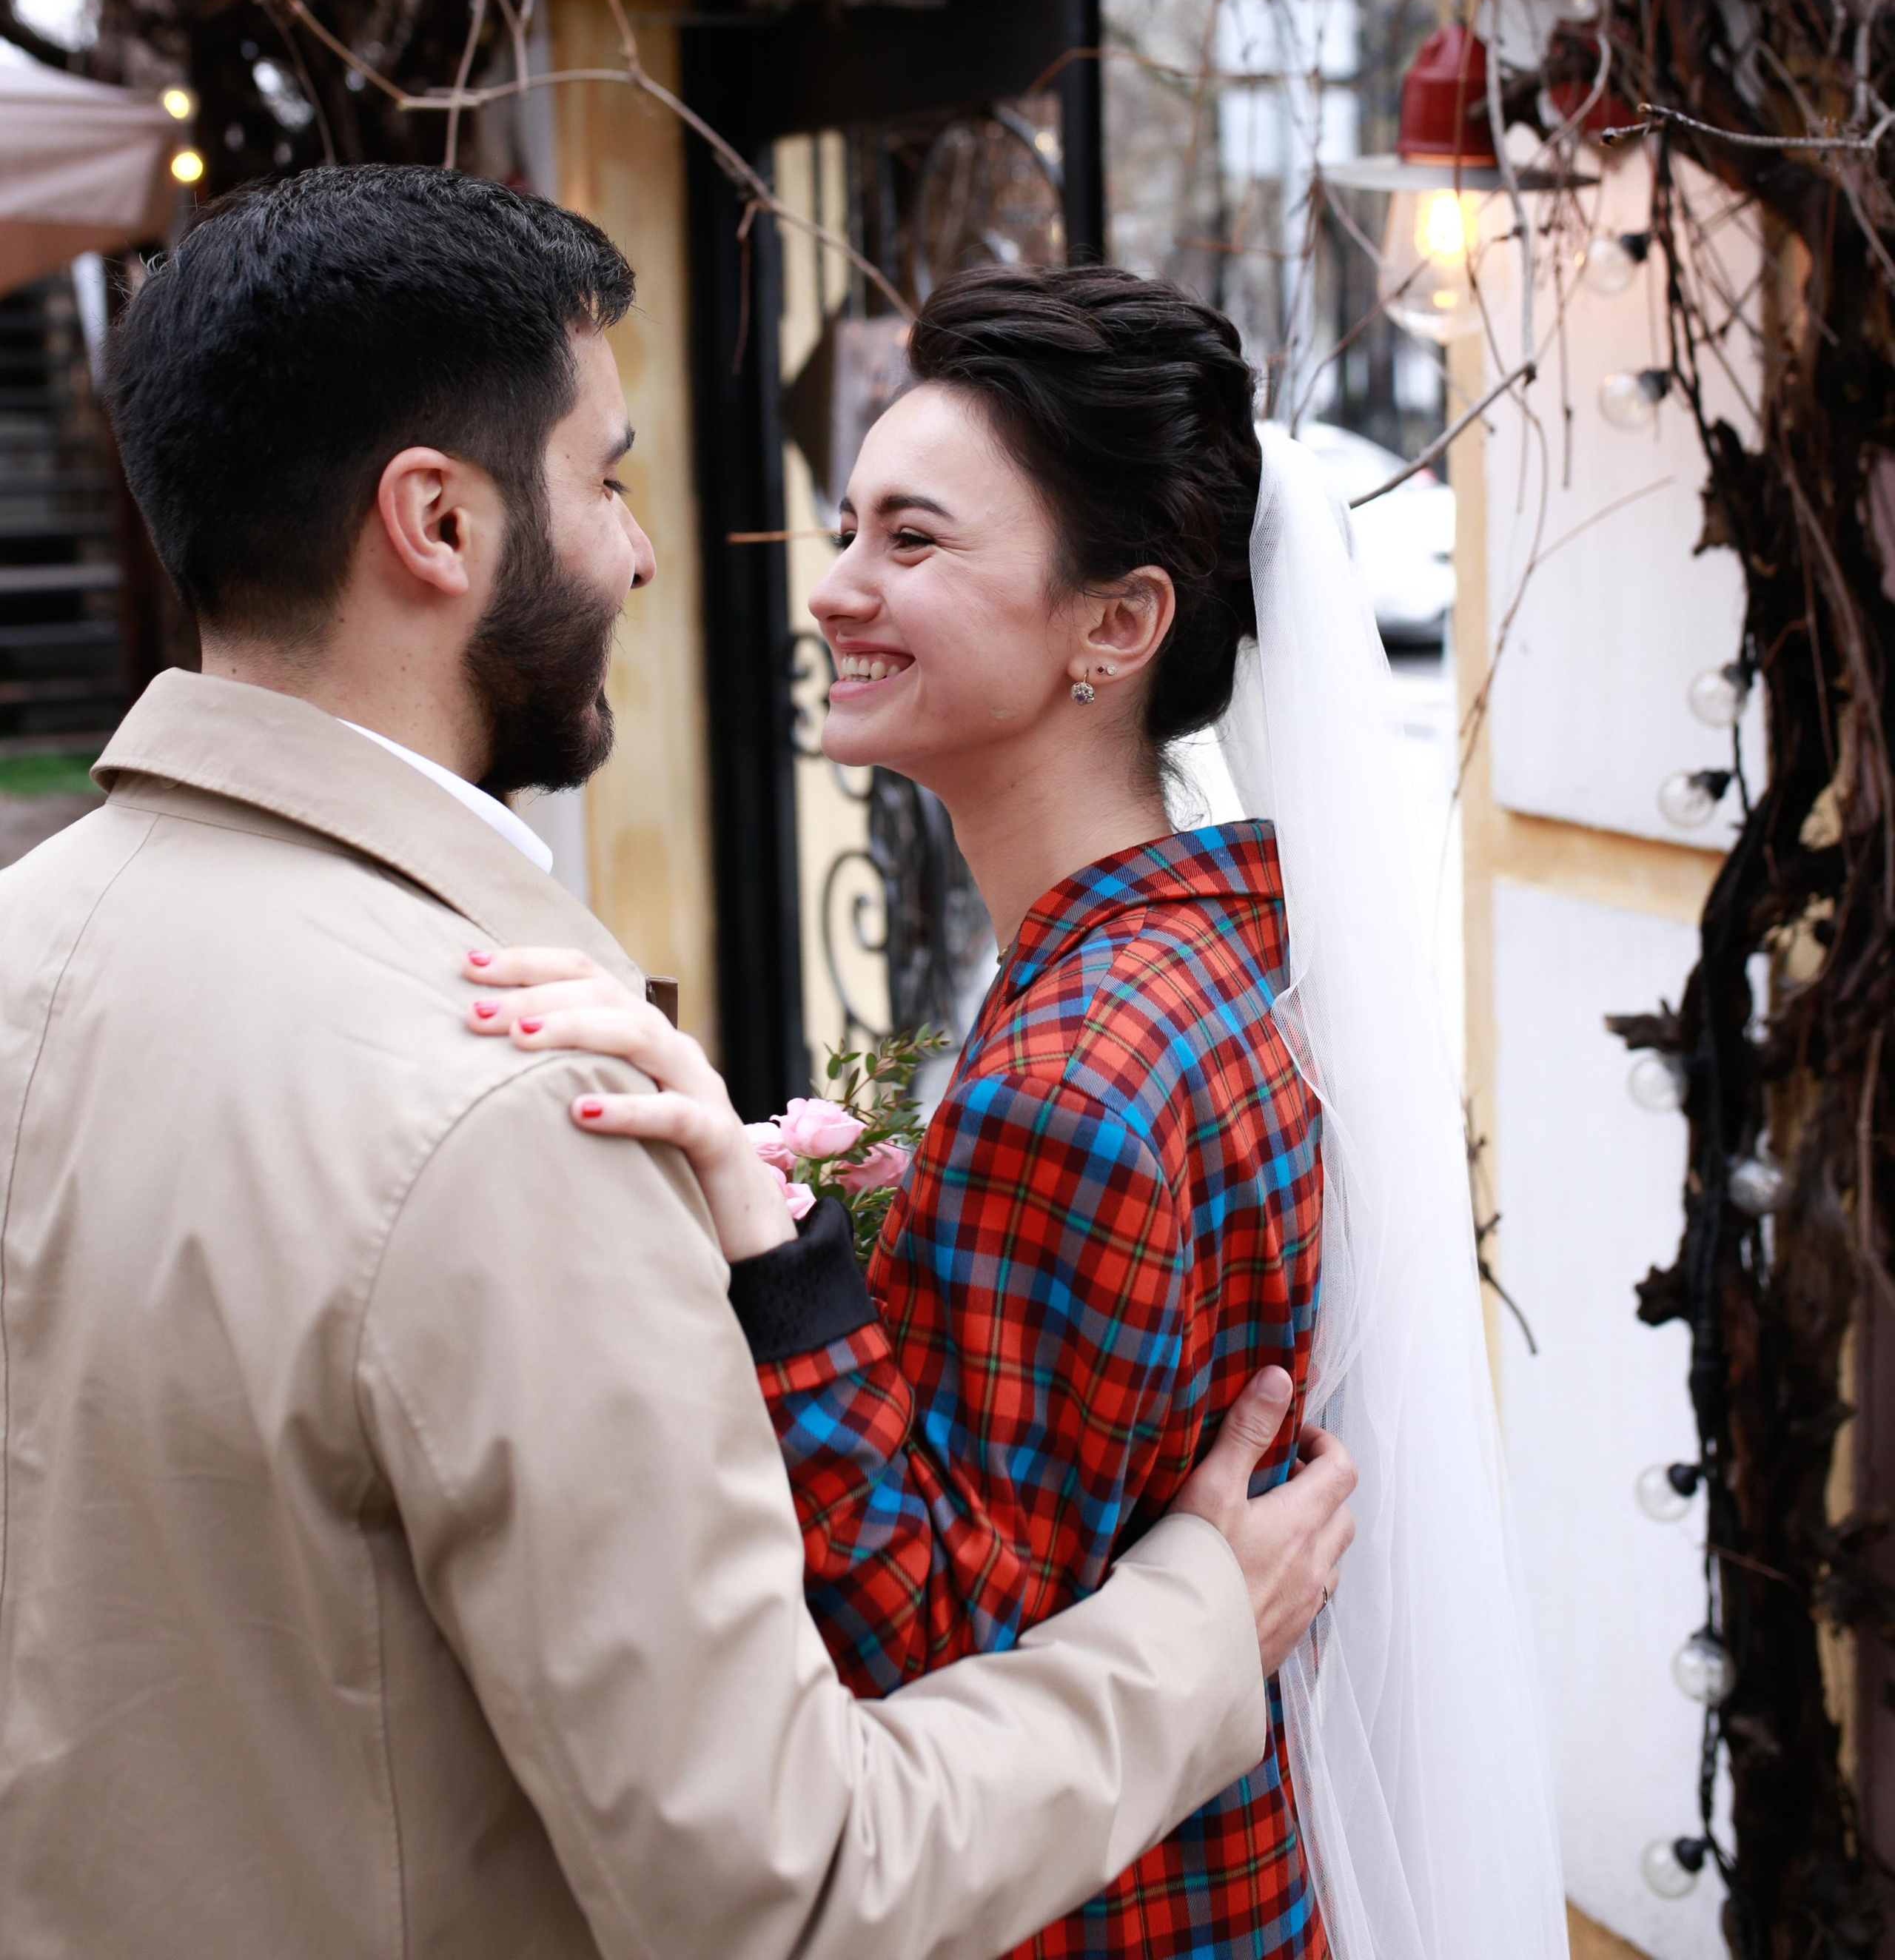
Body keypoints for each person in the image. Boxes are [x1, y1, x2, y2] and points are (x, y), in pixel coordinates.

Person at [0, 172, 1355, 1960]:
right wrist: (1198, 1621)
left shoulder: (30, 943)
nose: (646, 552)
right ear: (439, 524)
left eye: (911, 538)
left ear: (1122, 624)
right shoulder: (501, 1104)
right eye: (608, 479)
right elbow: (781, 1884)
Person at [470, 265, 1569, 1960]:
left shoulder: (1076, 1075)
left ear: (1113, 626)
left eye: (911, 542)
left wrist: (775, 1255)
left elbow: (946, 1648)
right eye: (847, 528)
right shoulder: (1225, 953)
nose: (834, 590)